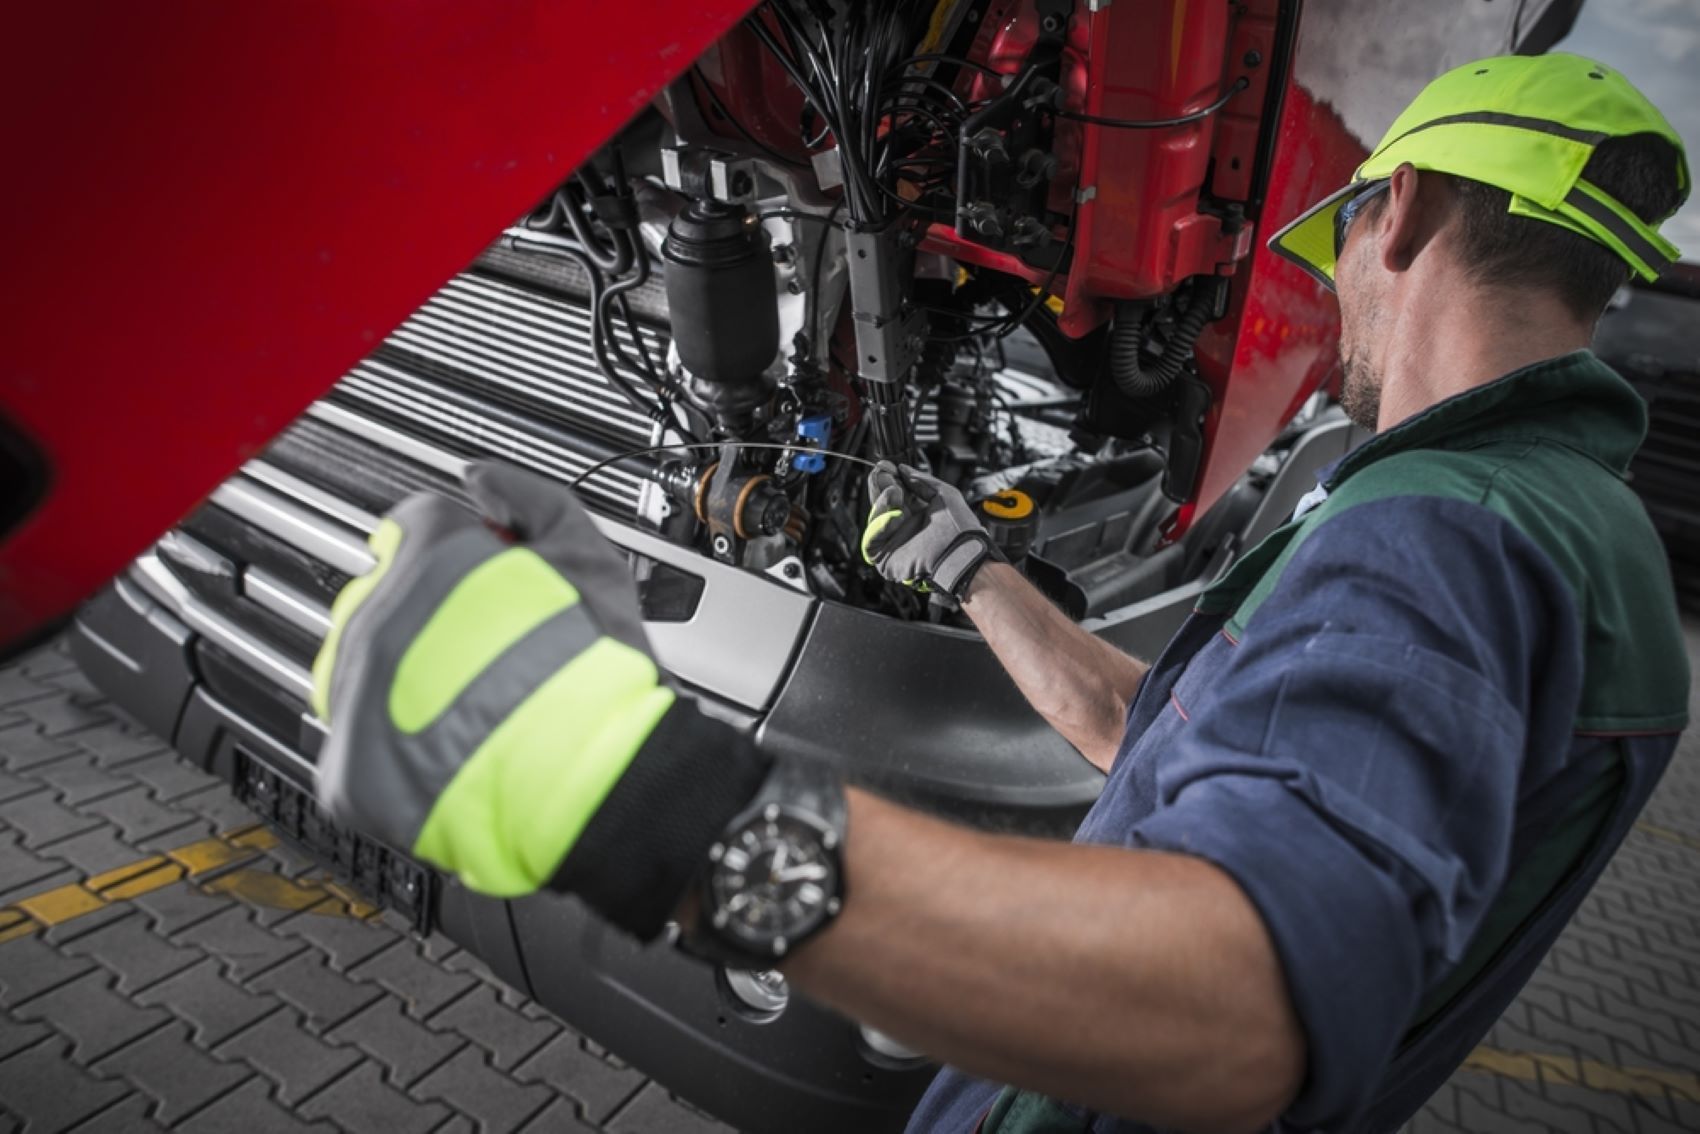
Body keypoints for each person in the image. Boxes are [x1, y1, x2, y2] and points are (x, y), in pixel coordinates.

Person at [309, 53, 1691, 1134]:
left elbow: (1243, 1000)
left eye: (1341, 248)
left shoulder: (1441, 530)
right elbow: (1147, 727)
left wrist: (624, 793)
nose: (1332, 304)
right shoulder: (1581, 534)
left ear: (1409, 214)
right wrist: (968, 565)